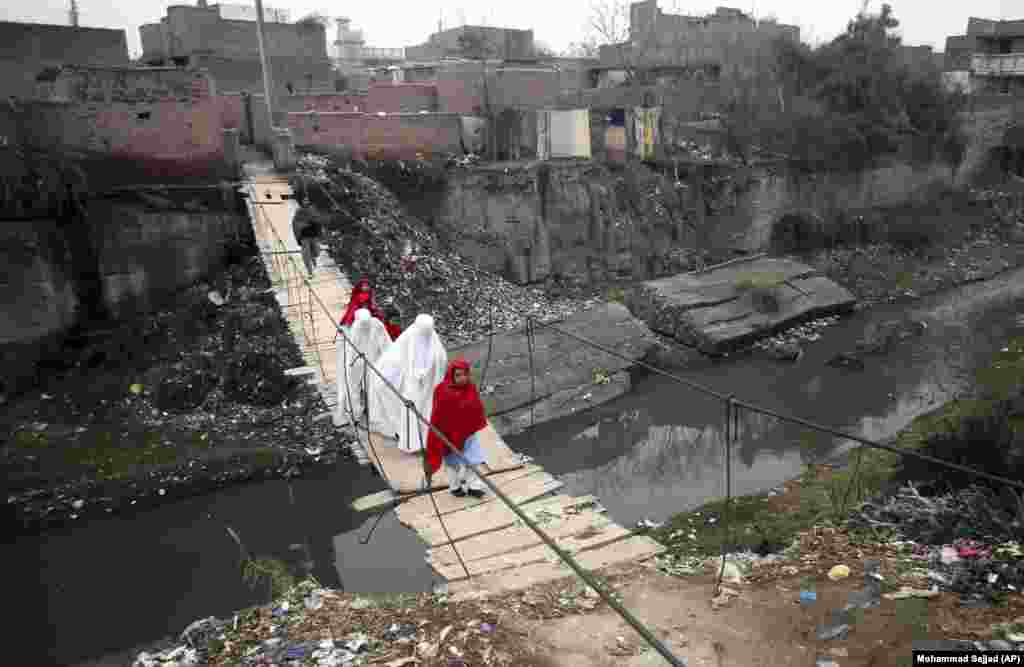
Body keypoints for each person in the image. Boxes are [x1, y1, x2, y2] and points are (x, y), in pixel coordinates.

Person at [367, 314, 448, 453]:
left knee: (425, 410)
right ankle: (412, 441)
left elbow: (439, 363)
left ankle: (424, 440)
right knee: (411, 410)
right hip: (410, 383)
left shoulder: (435, 346)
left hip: (427, 386)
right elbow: (397, 357)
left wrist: (425, 374)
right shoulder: (410, 337)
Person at [423, 358, 489, 498]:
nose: (462, 378)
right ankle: (455, 486)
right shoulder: (442, 391)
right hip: (449, 434)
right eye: (458, 375)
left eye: (465, 374)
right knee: (452, 463)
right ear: (451, 375)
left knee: (473, 459)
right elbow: (438, 414)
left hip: (468, 433)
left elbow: (476, 408)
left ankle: (473, 486)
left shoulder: (470, 388)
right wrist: (440, 433)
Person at [335, 307, 392, 428]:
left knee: (373, 387)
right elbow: (351, 350)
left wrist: (387, 361)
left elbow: (386, 344)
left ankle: (374, 414)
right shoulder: (356, 327)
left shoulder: (377, 325)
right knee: (353, 386)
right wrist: (350, 365)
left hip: (374, 361)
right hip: (358, 361)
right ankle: (355, 412)